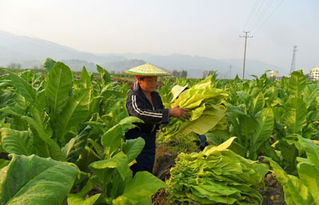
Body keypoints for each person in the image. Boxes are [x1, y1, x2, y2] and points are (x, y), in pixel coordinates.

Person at [125, 64, 189, 174]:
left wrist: (174, 117)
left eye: (155, 80)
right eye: (149, 81)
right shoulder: (134, 96)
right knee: (137, 168)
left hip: (151, 137)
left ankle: (146, 189)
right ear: (140, 80)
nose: (153, 83)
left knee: (148, 166)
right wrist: (169, 112)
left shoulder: (155, 96)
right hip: (137, 137)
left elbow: (159, 113)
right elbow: (139, 114)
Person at [171, 85, 208, 150]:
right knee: (201, 138)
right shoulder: (178, 106)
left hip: (199, 126)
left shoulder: (193, 99)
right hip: (191, 130)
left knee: (203, 137)